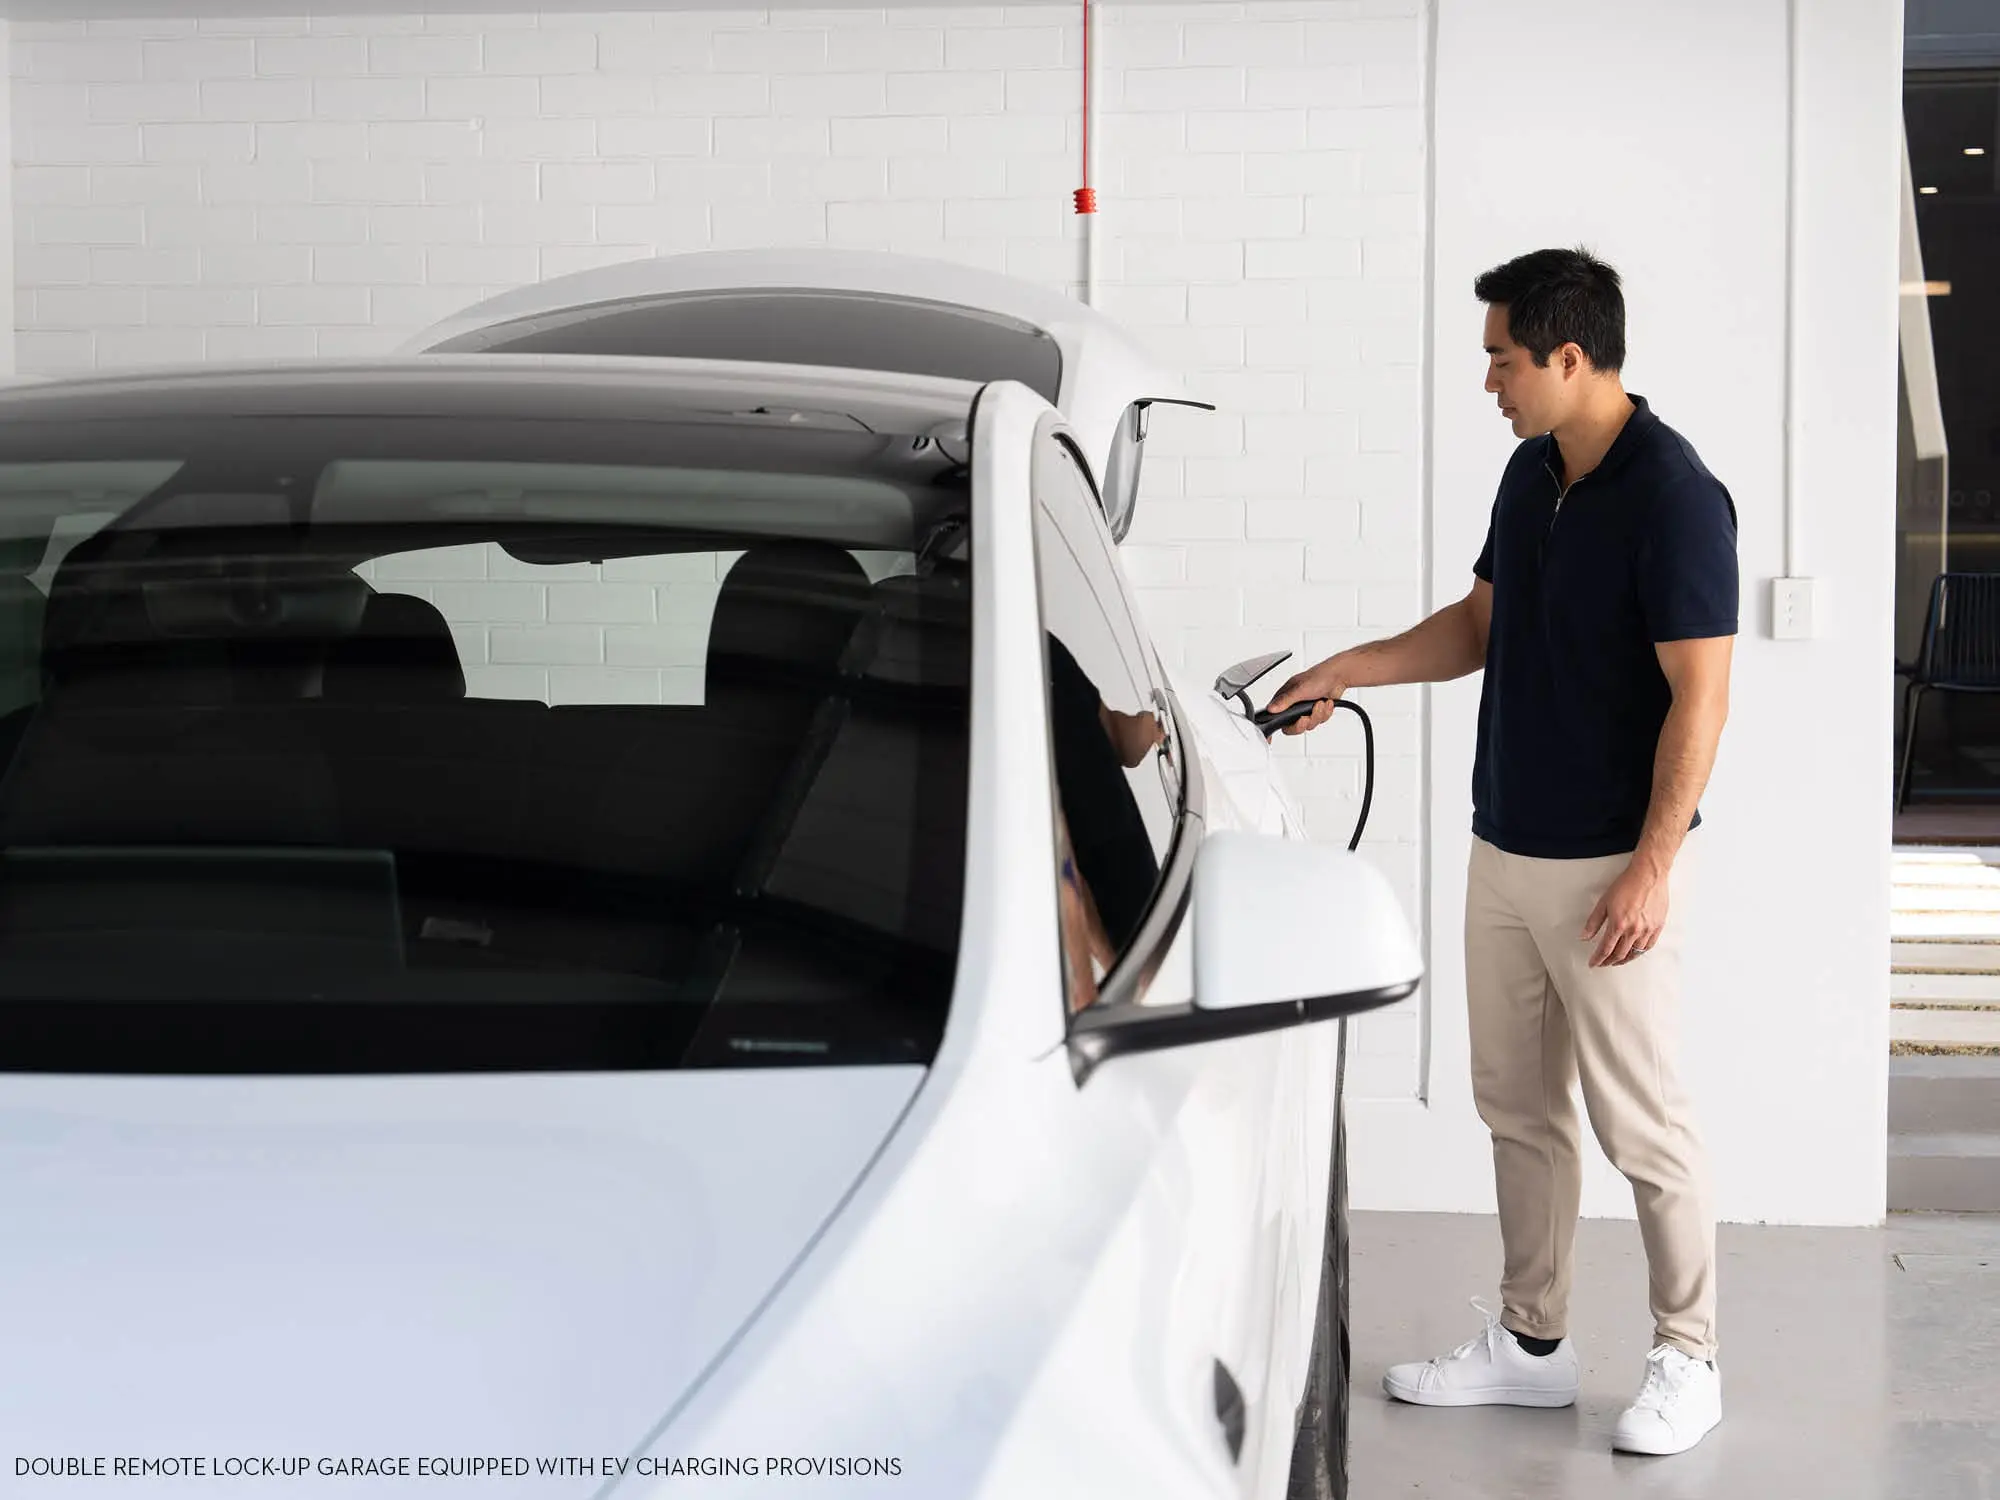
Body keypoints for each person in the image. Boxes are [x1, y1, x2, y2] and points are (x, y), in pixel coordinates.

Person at [1265, 247, 1737, 1457]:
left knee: (1642, 1125)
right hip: (1504, 848)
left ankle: (1687, 1357)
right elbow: (1480, 623)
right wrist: (1344, 669)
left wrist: (1650, 868)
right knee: (1516, 1109)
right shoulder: (1531, 473)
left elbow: (1700, 698)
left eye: (1502, 359)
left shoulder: (1674, 495)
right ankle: (1532, 1345)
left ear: (1567, 356)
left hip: (1608, 872)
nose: (1488, 381)